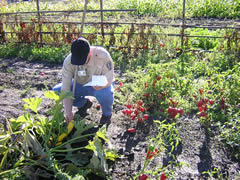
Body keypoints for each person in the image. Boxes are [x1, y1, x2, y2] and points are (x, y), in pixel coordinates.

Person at [53, 37, 114, 127]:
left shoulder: (102, 55)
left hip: (100, 86)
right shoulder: (68, 61)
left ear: (89, 53)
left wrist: (102, 86)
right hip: (80, 84)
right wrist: (68, 112)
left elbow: (110, 79)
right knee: (57, 91)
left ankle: (106, 115)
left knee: (105, 93)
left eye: (82, 60)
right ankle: (84, 104)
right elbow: (65, 88)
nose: (79, 63)